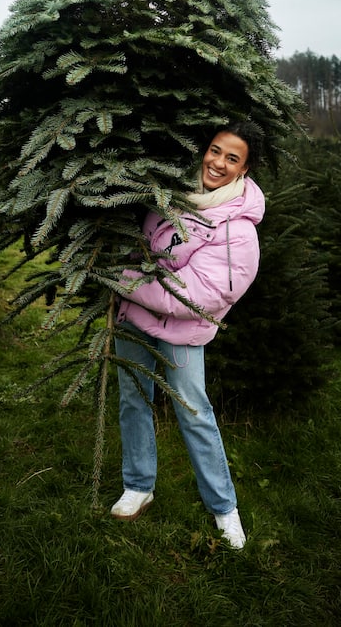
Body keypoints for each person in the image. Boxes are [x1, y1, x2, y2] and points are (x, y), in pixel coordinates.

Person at [111, 120, 265, 549]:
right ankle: (138, 485)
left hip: (182, 332)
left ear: (244, 170)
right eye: (215, 150)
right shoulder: (171, 196)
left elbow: (198, 295)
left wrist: (122, 280)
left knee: (193, 411)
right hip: (133, 319)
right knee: (133, 399)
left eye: (232, 158)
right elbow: (139, 244)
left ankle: (224, 508)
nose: (217, 163)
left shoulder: (238, 230)